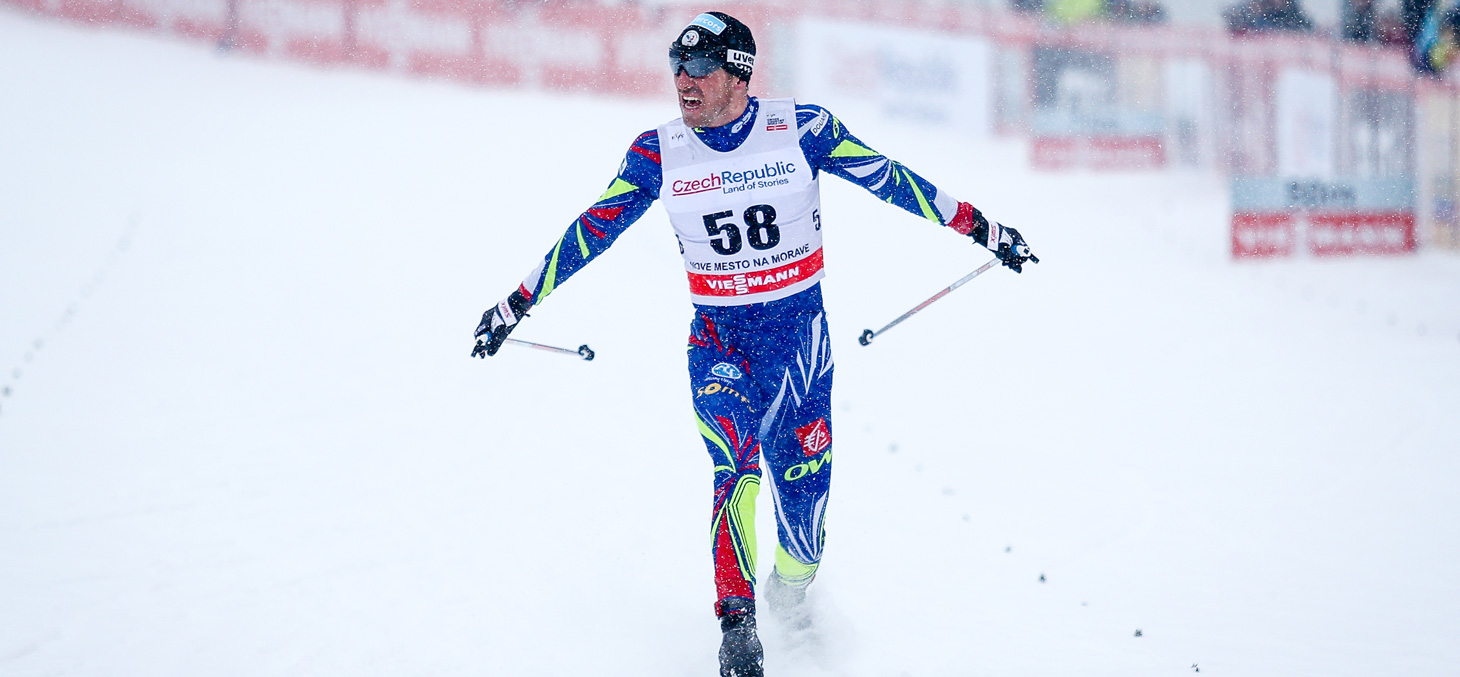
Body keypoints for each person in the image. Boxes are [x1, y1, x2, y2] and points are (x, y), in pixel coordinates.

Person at [471, 11, 1035, 676]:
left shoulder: (800, 129)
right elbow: (591, 229)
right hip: (720, 344)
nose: (684, 80)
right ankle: (737, 625)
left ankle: (789, 596)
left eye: (701, 67)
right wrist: (517, 301)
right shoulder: (657, 153)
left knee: (804, 530)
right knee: (732, 469)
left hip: (800, 348)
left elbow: (892, 178)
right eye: (677, 66)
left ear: (738, 75)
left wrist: (982, 227)